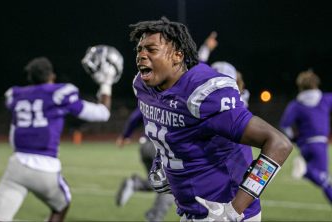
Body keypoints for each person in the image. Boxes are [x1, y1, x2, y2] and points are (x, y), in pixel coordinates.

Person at [129, 17, 292, 221]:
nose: (141, 56)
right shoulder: (143, 86)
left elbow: (279, 145)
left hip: (228, 214)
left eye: (151, 50)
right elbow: (172, 131)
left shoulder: (203, 93)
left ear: (177, 55)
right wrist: (162, 162)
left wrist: (233, 211)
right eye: (139, 49)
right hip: (192, 211)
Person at [0, 46, 123, 222]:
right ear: (51, 76)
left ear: (30, 77)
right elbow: (102, 113)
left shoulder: (15, 95)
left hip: (16, 167)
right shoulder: (60, 93)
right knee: (62, 205)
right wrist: (106, 84)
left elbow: (13, 131)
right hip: (45, 168)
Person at [280, 69, 332, 204]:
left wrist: (295, 140)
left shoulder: (296, 105)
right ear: (316, 83)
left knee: (322, 179)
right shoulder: (326, 99)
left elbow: (285, 125)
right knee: (325, 181)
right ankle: (305, 170)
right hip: (320, 145)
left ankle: (305, 170)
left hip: (304, 146)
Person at [115, 107, 174, 222]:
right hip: (160, 147)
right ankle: (154, 218)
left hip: (145, 146)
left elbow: (134, 118)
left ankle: (135, 183)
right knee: (170, 185)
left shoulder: (150, 96)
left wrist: (125, 135)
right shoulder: (174, 97)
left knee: (159, 182)